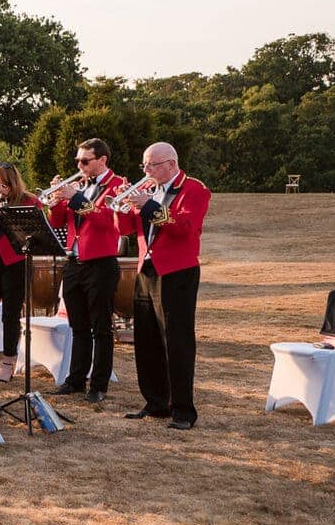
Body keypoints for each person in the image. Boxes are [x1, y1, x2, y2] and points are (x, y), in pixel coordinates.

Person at [116, 142, 211, 430]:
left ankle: (183, 409)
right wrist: (122, 204)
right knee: (146, 339)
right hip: (147, 268)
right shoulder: (149, 191)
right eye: (144, 165)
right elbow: (124, 230)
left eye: (151, 165)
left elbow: (184, 228)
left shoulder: (194, 189)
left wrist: (150, 206)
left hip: (178, 272)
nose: (145, 171)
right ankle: (156, 402)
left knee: (177, 340)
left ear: (170, 163)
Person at [44, 139, 128, 403]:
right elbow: (58, 222)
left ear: (102, 160)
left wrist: (76, 198)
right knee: (77, 325)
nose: (80, 166)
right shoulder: (80, 186)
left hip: (101, 262)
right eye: (77, 161)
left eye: (85, 161)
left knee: (101, 326)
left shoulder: (117, 186)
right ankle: (76, 379)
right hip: (74, 261)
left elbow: (107, 222)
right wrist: (56, 200)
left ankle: (99, 384)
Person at [0, 163, 44, 384]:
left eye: (1, 184)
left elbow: (39, 231)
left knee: (10, 314)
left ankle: (8, 362)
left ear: (12, 183)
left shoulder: (29, 201)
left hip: (16, 261)